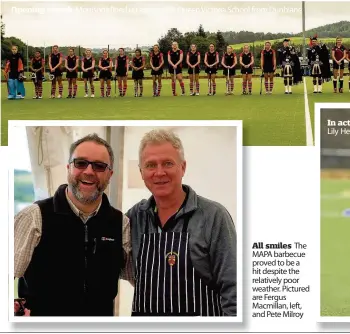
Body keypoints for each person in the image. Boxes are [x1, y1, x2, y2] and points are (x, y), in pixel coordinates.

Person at [14, 133, 132, 316]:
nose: (89, 171)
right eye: (81, 163)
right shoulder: (34, 216)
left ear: (110, 174)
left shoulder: (120, 223)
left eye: (99, 166)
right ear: (68, 167)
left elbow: (138, 277)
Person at [126, 129, 237, 316]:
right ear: (141, 172)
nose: (159, 172)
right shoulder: (134, 217)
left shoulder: (213, 216)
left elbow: (233, 289)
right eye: (151, 165)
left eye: (168, 163)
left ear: (183, 167)